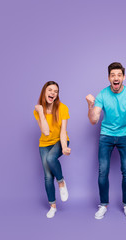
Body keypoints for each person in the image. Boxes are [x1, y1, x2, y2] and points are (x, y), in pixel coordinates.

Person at [86, 62, 126, 220]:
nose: (116, 78)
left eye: (119, 75)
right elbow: (94, 120)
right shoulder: (102, 95)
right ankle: (103, 205)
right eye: (113, 75)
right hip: (106, 135)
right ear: (108, 78)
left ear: (123, 77)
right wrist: (90, 106)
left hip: (125, 135)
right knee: (103, 171)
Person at [34, 81, 71, 218]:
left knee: (51, 158)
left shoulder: (63, 108)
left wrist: (64, 147)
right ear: (44, 92)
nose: (53, 93)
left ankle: (61, 182)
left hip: (60, 141)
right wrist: (41, 113)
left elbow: (63, 132)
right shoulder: (38, 110)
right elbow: (45, 132)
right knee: (48, 177)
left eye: (55, 91)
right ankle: (53, 206)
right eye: (50, 90)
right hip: (44, 144)